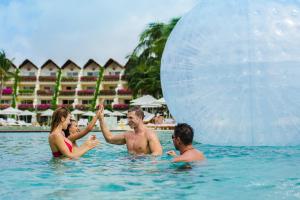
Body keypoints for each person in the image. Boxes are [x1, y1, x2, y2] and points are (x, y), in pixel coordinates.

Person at [98, 105, 162, 155]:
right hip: (129, 168)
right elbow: (109, 139)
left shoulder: (149, 135)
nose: (128, 121)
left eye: (131, 118)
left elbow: (157, 154)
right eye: (127, 118)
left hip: (142, 168)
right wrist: (101, 119)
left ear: (139, 117)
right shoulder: (127, 135)